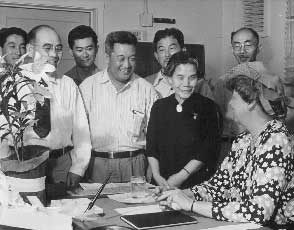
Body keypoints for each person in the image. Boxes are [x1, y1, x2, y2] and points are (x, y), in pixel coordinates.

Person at [158, 62, 294, 230]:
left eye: (235, 99)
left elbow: (258, 212)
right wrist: (180, 194)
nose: (230, 105)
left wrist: (191, 204)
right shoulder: (243, 140)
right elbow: (217, 187)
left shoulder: (278, 141)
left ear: (252, 102)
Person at [0, 25, 91, 190]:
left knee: (63, 213)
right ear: (30, 50)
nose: (54, 54)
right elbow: (0, 135)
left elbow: (81, 131)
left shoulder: (68, 85)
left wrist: (78, 168)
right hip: (23, 165)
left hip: (61, 165)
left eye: (58, 49)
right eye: (47, 48)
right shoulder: (12, 83)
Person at [79, 31, 159, 183]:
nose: (127, 65)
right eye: (121, 59)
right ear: (108, 57)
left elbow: (155, 137)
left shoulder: (147, 90)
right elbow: (78, 135)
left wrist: (151, 169)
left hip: (136, 165)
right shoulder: (88, 88)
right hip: (98, 165)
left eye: (132, 59)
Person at [146, 51, 220, 190]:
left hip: (195, 185)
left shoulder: (208, 107)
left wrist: (180, 177)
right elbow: (151, 147)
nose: (186, 84)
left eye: (192, 77)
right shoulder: (159, 107)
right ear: (169, 79)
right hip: (162, 183)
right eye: (180, 77)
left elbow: (207, 150)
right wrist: (156, 175)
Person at [213, 27, 261, 163]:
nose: (242, 51)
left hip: (259, 148)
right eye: (237, 46)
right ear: (232, 49)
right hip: (229, 147)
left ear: (258, 48)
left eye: (248, 45)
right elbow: (216, 120)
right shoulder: (222, 82)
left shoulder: (269, 81)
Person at [145, 28, 213, 100]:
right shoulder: (146, 83)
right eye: (162, 50)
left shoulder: (200, 84)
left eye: (172, 48)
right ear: (156, 56)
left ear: (183, 50)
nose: (167, 54)